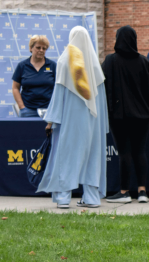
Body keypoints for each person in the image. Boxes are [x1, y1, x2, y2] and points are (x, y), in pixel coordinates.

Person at [37, 26, 108, 209]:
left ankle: (63, 198)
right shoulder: (94, 66)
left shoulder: (63, 61)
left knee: (66, 156)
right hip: (92, 123)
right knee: (92, 156)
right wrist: (102, 125)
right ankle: (91, 198)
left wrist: (52, 120)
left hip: (68, 122)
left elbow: (58, 93)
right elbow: (100, 103)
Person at [102, 26, 149, 204]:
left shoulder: (110, 61)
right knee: (140, 151)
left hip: (119, 116)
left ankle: (124, 192)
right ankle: (142, 192)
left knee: (125, 152)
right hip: (142, 116)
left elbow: (102, 87)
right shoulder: (144, 62)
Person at [12, 35, 57, 117]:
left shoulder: (53, 66)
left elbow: (59, 89)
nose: (41, 50)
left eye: (44, 48)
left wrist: (55, 107)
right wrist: (22, 107)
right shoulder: (22, 66)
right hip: (28, 111)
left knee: (48, 131)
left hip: (49, 111)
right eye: (38, 47)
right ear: (30, 48)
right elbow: (15, 88)